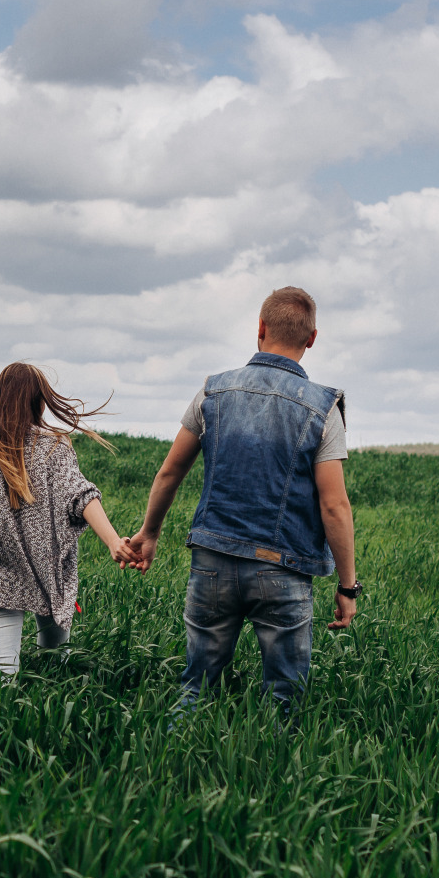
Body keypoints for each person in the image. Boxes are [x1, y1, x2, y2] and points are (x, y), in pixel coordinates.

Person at [123, 287, 360, 717]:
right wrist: (347, 587)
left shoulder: (213, 391)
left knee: (195, 690)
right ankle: (271, 779)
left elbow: (170, 472)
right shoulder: (324, 408)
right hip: (283, 567)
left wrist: (149, 534)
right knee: (283, 702)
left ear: (261, 328)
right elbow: (335, 507)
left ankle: (170, 767)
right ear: (312, 339)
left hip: (212, 559)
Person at [0, 363, 129, 675]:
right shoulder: (56, 446)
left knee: (2, 683)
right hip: (51, 578)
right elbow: (82, 496)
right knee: (55, 670)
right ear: (40, 400)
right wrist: (113, 542)